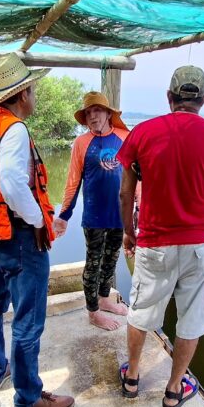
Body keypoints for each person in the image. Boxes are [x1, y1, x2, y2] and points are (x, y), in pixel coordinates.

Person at [116, 65, 204, 407]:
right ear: (203, 100)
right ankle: (174, 389)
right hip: (198, 246)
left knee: (141, 312)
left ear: (169, 98)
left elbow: (125, 193)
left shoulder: (142, 133)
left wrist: (129, 232)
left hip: (153, 243)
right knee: (192, 317)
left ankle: (131, 379)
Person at [0, 53, 74, 407]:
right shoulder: (13, 129)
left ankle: (0, 369)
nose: (34, 95)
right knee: (28, 319)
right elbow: (12, 184)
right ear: (23, 92)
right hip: (19, 236)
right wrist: (40, 223)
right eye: (33, 89)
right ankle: (28, 398)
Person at [54, 92, 130, 331]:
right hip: (94, 216)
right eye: (88, 112)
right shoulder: (81, 143)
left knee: (112, 259)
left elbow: (136, 177)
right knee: (94, 264)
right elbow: (73, 181)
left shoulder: (124, 137)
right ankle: (93, 312)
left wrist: (137, 213)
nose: (92, 116)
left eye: (97, 110)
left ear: (109, 113)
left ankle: (105, 299)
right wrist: (64, 215)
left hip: (119, 215)